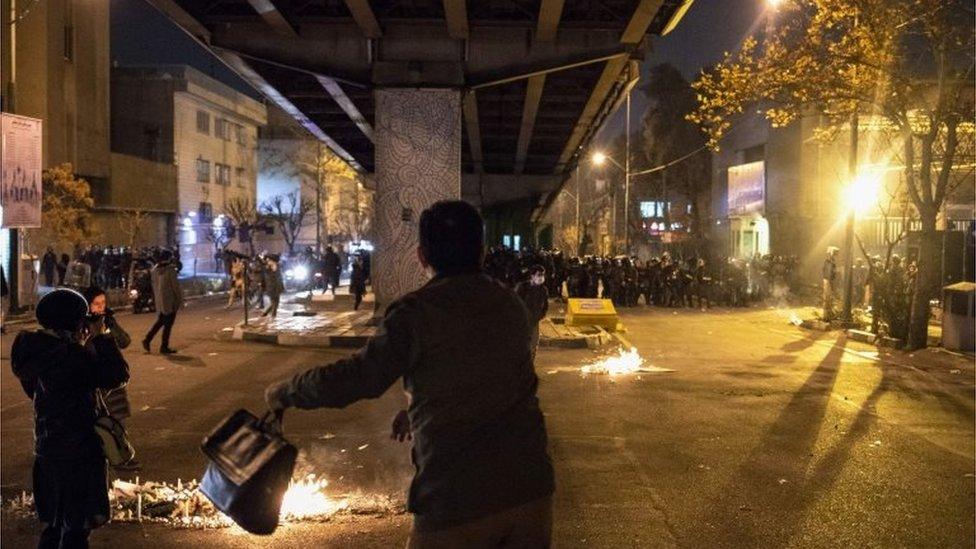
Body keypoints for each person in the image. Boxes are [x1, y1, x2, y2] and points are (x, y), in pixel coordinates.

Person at [265, 201, 554, 547]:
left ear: (421, 256)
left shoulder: (415, 313)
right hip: (530, 491)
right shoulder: (510, 304)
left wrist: (289, 390)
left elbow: (362, 376)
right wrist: (418, 409)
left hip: (457, 499)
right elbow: (490, 373)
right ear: (482, 252)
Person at [11, 288, 129, 549]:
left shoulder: (36, 352)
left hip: (47, 450)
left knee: (52, 526)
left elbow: (35, 391)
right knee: (76, 530)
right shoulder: (70, 356)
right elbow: (117, 375)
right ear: (74, 321)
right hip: (78, 452)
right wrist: (101, 337)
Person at [82, 286, 138, 471]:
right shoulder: (81, 324)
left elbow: (125, 341)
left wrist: (109, 326)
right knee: (99, 421)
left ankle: (121, 455)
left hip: (112, 376)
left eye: (103, 303)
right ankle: (108, 456)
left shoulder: (107, 320)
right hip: (96, 378)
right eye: (96, 304)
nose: (100, 307)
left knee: (118, 419)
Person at [142, 249, 183, 354]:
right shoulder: (170, 270)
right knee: (168, 324)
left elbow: (154, 286)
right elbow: (175, 287)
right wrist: (180, 301)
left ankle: (148, 339)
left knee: (161, 322)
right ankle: (163, 346)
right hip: (170, 301)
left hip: (160, 301)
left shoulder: (155, 270)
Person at [516, 265, 549, 360]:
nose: (541, 277)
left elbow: (545, 306)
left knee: (534, 345)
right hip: (522, 322)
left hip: (534, 322)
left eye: (543, 275)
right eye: (539, 275)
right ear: (532, 276)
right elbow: (515, 303)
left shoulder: (543, 290)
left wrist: (540, 315)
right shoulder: (522, 288)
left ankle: (529, 366)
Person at [821, 247, 839, 321]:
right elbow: (828, 273)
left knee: (829, 298)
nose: (836, 255)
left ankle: (828, 314)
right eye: (834, 253)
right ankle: (825, 316)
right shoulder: (828, 261)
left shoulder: (832, 261)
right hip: (827, 280)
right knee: (827, 298)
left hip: (829, 281)